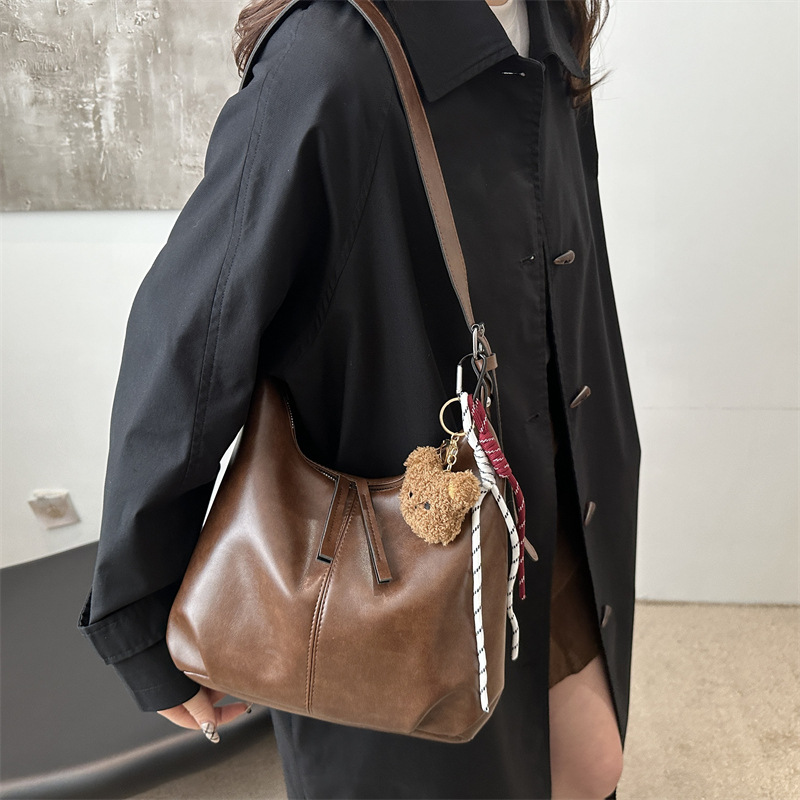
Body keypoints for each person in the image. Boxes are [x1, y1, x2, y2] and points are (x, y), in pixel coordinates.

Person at [77, 1, 641, 798]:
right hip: (393, 558)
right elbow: (193, 334)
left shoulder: (547, 19)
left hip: (552, 492)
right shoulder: (328, 61)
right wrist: (140, 618)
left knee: (590, 763)